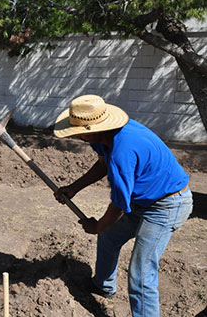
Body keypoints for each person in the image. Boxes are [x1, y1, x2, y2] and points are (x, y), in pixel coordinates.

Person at [52, 94, 193, 317]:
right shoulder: (106, 138)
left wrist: (97, 226)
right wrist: (74, 187)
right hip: (145, 201)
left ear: (93, 130)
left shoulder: (122, 151)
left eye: (80, 132)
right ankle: (103, 286)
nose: (78, 136)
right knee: (109, 238)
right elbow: (102, 164)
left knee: (141, 275)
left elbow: (119, 205)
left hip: (166, 206)